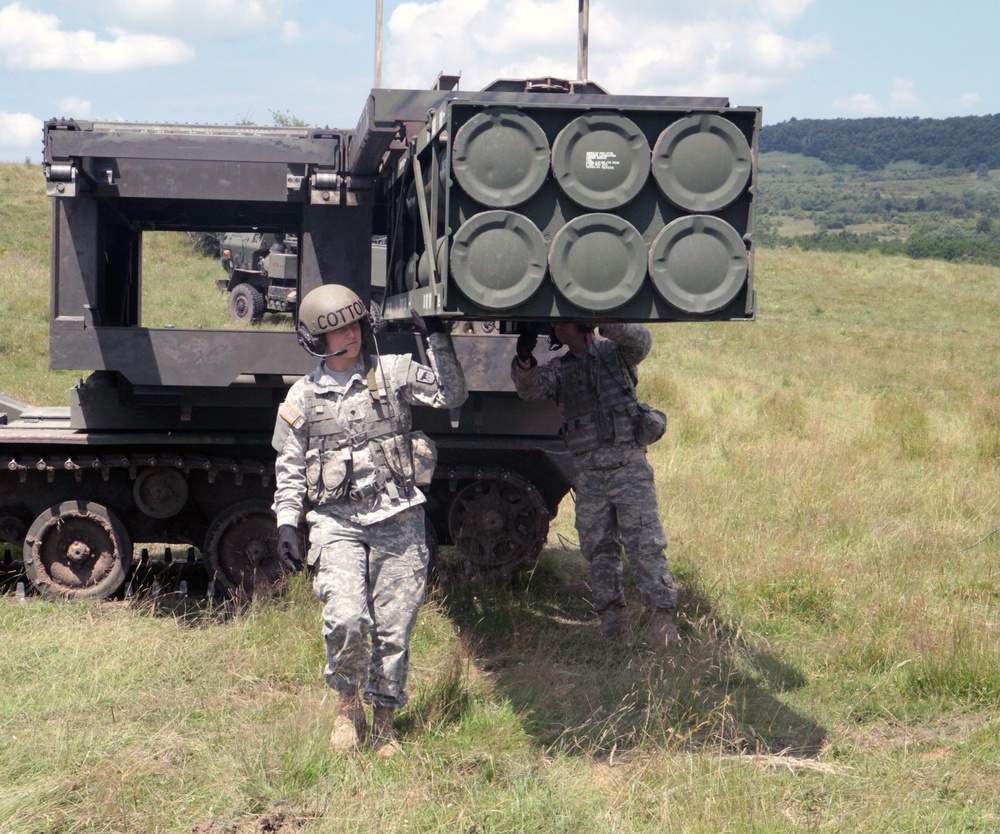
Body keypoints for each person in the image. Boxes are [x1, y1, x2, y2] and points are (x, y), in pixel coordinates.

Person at [271, 284, 467, 756]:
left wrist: (438, 338)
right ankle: (346, 707)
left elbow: (450, 394)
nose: (351, 335)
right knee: (347, 617)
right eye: (337, 328)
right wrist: (286, 522)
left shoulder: (394, 372)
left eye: (355, 324)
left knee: (395, 625)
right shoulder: (303, 396)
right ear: (318, 339)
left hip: (397, 517)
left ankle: (383, 721)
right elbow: (290, 468)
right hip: (337, 522)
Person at [511, 321, 680, 647]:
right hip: (590, 477)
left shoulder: (616, 354)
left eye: (565, 321)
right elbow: (529, 390)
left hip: (627, 469)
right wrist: (524, 361)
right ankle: (612, 621)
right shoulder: (559, 371)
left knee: (645, 545)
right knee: (599, 550)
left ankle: (662, 620)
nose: (559, 328)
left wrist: (604, 317)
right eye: (554, 324)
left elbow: (642, 340)